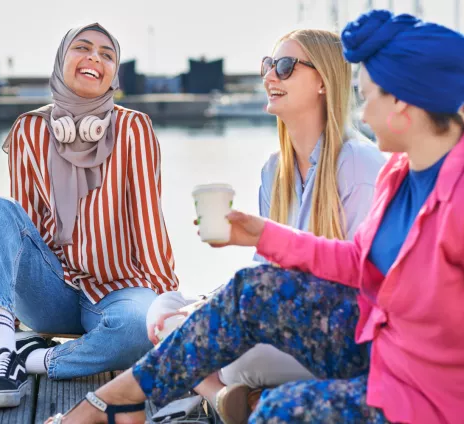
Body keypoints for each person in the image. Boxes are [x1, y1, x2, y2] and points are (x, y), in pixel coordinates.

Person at [47, 10, 464, 424]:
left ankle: (120, 406)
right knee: (251, 290)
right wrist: (262, 234)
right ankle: (118, 404)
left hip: (449, 405)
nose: (361, 113)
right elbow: (360, 263)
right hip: (393, 359)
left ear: (407, 105)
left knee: (278, 411)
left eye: (369, 99)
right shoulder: (403, 176)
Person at [145, 28, 385, 423]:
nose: (270, 77)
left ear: (324, 81)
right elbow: (263, 271)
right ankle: (229, 399)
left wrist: (217, 320)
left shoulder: (359, 163)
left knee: (232, 351)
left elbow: (361, 280)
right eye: (268, 66)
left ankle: (232, 393)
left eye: (286, 66)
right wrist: (210, 305)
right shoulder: (275, 170)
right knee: (163, 309)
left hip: (343, 337)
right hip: (278, 320)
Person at [0, 23, 178, 410]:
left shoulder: (135, 129)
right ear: (61, 61)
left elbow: (149, 222)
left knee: (139, 327)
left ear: (113, 74)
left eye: (107, 54)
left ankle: (30, 360)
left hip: (121, 288)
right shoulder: (28, 130)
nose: (94, 59)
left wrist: (166, 305)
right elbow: (25, 231)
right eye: (82, 48)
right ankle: (3, 352)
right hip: (53, 289)